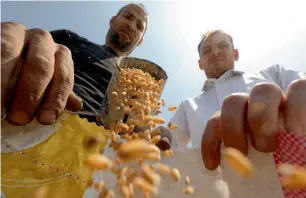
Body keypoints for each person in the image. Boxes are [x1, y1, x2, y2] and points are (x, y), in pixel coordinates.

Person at [1, 3, 154, 198]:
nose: (131, 25)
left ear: (140, 40)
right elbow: (29, 48)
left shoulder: (137, 85)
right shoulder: (71, 40)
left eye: (139, 26)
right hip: (39, 124)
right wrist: (18, 44)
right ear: (113, 20)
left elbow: (134, 134)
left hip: (94, 158)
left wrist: (147, 133)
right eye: (128, 16)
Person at [167, 30, 306, 197]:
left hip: (288, 181)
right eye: (207, 50)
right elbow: (167, 141)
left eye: (222, 46)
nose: (215, 52)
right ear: (200, 63)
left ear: (235, 54)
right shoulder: (187, 106)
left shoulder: (272, 74)